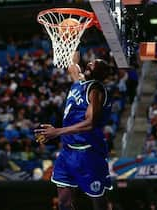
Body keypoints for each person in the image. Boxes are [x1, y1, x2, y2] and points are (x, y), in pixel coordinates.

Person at [35, 53, 112, 210]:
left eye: (94, 63)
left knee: (98, 202)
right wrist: (73, 33)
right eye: (90, 62)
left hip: (88, 153)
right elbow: (72, 64)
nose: (90, 63)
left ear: (101, 73)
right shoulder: (80, 82)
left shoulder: (95, 89)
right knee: (63, 201)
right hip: (68, 152)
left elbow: (90, 123)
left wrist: (57, 132)